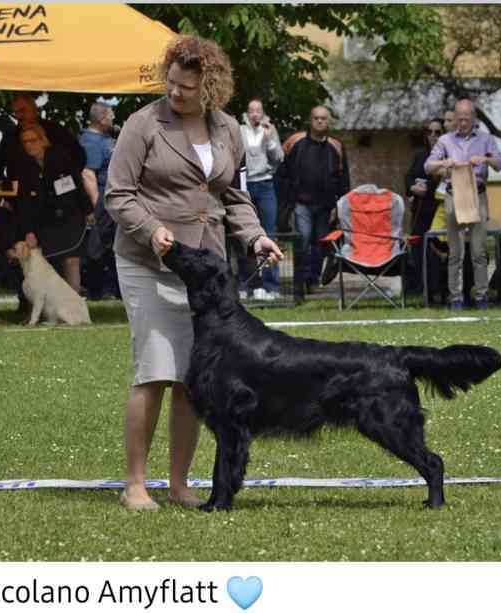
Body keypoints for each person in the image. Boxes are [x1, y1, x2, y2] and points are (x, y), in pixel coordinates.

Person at [106, 35, 283, 511]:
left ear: (210, 87)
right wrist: (151, 229)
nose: (175, 92)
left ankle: (180, 484)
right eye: (171, 82)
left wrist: (255, 237)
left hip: (206, 268)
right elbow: (118, 194)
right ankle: (135, 485)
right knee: (155, 369)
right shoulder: (142, 126)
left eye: (186, 87)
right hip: (150, 260)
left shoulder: (226, 129)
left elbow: (233, 196)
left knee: (193, 377)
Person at [425, 99, 501, 310]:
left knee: (478, 251)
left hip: (478, 195)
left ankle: (481, 296)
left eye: (466, 118)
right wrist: (444, 162)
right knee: (456, 252)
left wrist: (486, 160)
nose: (462, 123)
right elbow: (428, 166)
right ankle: (456, 298)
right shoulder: (445, 140)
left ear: (473, 118)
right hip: (454, 196)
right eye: (459, 118)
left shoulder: (486, 139)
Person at [281, 106, 350, 301]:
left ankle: (313, 279)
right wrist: (288, 201)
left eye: (323, 119)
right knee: (302, 241)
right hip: (301, 202)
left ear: (328, 122)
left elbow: (344, 178)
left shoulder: (336, 146)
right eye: (316, 118)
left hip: (326, 205)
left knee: (321, 244)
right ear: (310, 121)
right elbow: (282, 171)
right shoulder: (295, 142)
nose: (320, 122)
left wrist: (341, 207)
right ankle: (299, 287)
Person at [16, 124, 94, 293]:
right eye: (25, 142)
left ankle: (75, 307)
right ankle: (46, 310)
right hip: (44, 221)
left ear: (42, 140)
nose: (29, 145)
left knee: (72, 261)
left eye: (33, 140)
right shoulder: (25, 166)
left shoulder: (61, 157)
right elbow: (23, 202)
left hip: (70, 216)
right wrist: (28, 231)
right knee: (47, 263)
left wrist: (88, 210)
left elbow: (77, 185)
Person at [238, 98, 283, 300]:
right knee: (245, 236)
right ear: (247, 113)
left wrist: (269, 139)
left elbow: (278, 157)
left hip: (265, 184)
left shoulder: (270, 130)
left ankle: (270, 286)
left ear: (263, 113)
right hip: (245, 186)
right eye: (251, 110)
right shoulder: (240, 131)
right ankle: (248, 284)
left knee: (269, 233)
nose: (255, 114)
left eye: (258, 110)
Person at [79, 101, 120, 300]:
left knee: (111, 244)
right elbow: (88, 174)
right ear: (102, 119)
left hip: (111, 199)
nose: (113, 119)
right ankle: (98, 289)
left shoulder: (104, 138)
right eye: (111, 115)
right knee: (98, 246)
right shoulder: (91, 141)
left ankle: (111, 288)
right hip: (102, 200)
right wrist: (97, 206)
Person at [404, 117, 444, 291]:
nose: (433, 136)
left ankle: (437, 287)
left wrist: (426, 189)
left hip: (437, 209)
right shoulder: (420, 154)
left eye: (437, 132)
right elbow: (409, 176)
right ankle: (420, 286)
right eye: (430, 132)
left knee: (436, 250)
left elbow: (444, 181)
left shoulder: (448, 154)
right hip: (419, 211)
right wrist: (411, 187)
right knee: (417, 248)